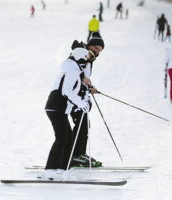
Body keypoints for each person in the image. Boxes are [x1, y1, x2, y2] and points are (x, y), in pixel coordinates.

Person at [44, 48, 92, 178]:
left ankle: (63, 167)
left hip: (60, 108)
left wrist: (83, 99)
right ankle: (51, 170)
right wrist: (80, 103)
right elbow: (66, 91)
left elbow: (72, 92)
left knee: (69, 137)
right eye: (86, 58)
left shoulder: (74, 69)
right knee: (62, 137)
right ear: (80, 57)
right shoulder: (71, 70)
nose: (87, 61)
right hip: (56, 106)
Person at [69, 32, 105, 167]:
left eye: (100, 51)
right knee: (81, 125)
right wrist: (83, 81)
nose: (97, 52)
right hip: (73, 98)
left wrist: (90, 87)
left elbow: (84, 77)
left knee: (84, 125)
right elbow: (72, 73)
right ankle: (76, 155)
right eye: (96, 48)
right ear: (90, 45)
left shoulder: (89, 58)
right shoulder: (81, 55)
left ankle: (80, 153)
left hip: (80, 96)